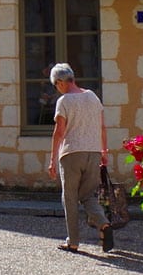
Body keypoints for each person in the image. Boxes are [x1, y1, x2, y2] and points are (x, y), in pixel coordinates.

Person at [46, 62, 111, 253]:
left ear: (60, 82)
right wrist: (104, 151)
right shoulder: (92, 96)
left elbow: (59, 132)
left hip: (71, 154)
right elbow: (102, 127)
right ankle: (104, 224)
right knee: (88, 195)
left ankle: (73, 241)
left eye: (55, 85)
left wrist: (52, 160)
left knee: (70, 197)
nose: (57, 89)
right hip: (93, 152)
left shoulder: (64, 101)